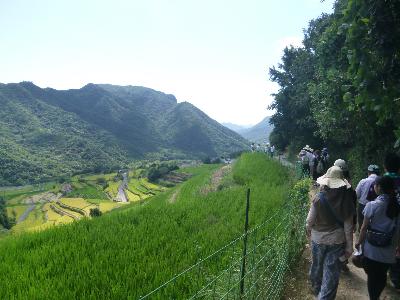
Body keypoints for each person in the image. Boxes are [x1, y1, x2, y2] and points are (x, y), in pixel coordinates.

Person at [307, 166, 355, 299]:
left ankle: (316, 287)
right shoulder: (347, 201)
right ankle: (324, 296)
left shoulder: (318, 198)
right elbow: (348, 227)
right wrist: (349, 247)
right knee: (331, 272)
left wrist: (308, 230)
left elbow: (309, 221)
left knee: (317, 265)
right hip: (337, 241)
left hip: (318, 239)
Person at [356, 176, 400, 300]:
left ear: (379, 187)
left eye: (375, 185)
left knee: (372, 276)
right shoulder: (396, 208)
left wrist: (359, 242)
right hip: (388, 250)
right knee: (382, 275)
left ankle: (373, 298)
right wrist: (398, 247)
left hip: (371, 250)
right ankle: (376, 296)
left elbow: (364, 228)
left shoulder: (372, 205)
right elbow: (398, 231)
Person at [355, 165, 380, 232]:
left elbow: (356, 195)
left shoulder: (363, 181)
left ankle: (361, 240)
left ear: (369, 172)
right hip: (377, 208)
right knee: (373, 228)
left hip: (362, 206)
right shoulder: (381, 181)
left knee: (361, 227)